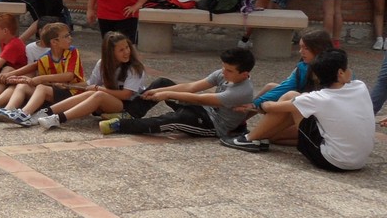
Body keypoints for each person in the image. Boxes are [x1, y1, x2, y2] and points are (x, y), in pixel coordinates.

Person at [223, 50, 373, 171]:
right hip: (359, 160)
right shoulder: (360, 86)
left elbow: (271, 107)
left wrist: (260, 105)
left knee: (291, 97)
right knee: (276, 131)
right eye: (348, 68)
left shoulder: (319, 98)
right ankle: (262, 138)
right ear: (340, 73)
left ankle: (249, 139)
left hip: (333, 161)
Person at [101, 47, 255, 138]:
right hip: (203, 110)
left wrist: (168, 95)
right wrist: (160, 90)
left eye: (229, 71)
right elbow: (192, 87)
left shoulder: (242, 92)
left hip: (213, 124)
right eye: (223, 67)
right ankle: (131, 113)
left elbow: (202, 99)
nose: (224, 72)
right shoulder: (223, 73)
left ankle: (119, 125)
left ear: (244, 74)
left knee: (171, 119)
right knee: (162, 82)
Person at [35, 32, 172, 130]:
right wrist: (69, 86)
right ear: (110, 53)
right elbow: (89, 84)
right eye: (121, 50)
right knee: (91, 93)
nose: (126, 52)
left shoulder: (134, 68)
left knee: (98, 94)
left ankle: (59, 119)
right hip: (109, 101)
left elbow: (126, 95)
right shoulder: (102, 64)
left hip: (127, 106)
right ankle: (46, 112)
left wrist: (99, 89)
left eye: (127, 47)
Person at [0, 22, 84, 126]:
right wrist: (20, 78)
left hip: (72, 91)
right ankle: (6, 110)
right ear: (54, 42)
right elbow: (37, 70)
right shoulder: (45, 58)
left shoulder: (72, 52)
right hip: (54, 93)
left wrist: (40, 79)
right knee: (22, 86)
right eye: (66, 36)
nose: (70, 38)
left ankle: (24, 114)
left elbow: (69, 76)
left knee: (42, 87)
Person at [246, 30, 333, 133]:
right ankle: (238, 123)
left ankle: (251, 137)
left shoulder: (330, 68)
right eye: (301, 47)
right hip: (307, 108)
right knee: (271, 87)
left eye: (306, 48)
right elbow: (285, 87)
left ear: (319, 49)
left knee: (270, 134)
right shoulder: (304, 66)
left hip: (321, 117)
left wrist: (259, 105)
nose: (301, 51)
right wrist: (255, 104)